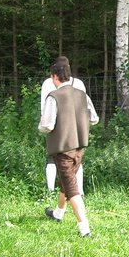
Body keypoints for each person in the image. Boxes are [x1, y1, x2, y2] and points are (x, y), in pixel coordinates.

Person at [39, 59, 99, 237]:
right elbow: (94, 118)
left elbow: (47, 125)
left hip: (63, 148)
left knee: (72, 188)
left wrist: (40, 128)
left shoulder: (54, 96)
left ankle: (84, 227)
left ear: (55, 77)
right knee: (67, 180)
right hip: (80, 146)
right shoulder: (82, 94)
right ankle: (58, 213)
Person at [40, 56, 87, 194]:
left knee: (53, 159)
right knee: (76, 161)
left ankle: (53, 191)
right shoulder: (79, 84)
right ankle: (79, 191)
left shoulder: (48, 83)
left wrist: (43, 126)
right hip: (77, 129)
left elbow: (44, 109)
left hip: (56, 128)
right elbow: (87, 111)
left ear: (55, 73)